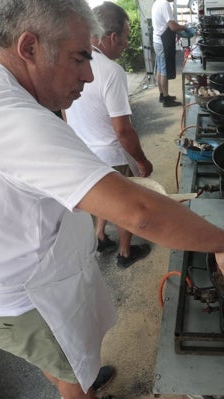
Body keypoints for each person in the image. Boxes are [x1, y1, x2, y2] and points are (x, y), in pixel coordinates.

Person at [0, 0, 224, 399]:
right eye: (79, 57)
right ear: (29, 47)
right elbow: (140, 214)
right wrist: (223, 242)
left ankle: (79, 381)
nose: (89, 74)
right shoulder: (4, 114)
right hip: (21, 293)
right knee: (63, 362)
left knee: (69, 354)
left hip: (19, 270)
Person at [66, 2, 154, 269]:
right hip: (110, 153)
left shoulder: (71, 61)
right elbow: (123, 131)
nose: (126, 44)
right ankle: (125, 253)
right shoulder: (112, 72)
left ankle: (101, 236)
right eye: (126, 38)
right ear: (113, 37)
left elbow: (64, 111)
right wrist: (142, 161)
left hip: (84, 150)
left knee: (103, 199)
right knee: (124, 205)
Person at [152, 0, 189, 107]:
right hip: (163, 42)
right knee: (164, 70)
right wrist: (184, 27)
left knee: (160, 68)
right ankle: (166, 99)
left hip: (157, 40)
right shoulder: (164, 4)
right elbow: (173, 26)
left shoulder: (157, 3)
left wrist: (177, 31)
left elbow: (166, 24)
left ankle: (162, 95)